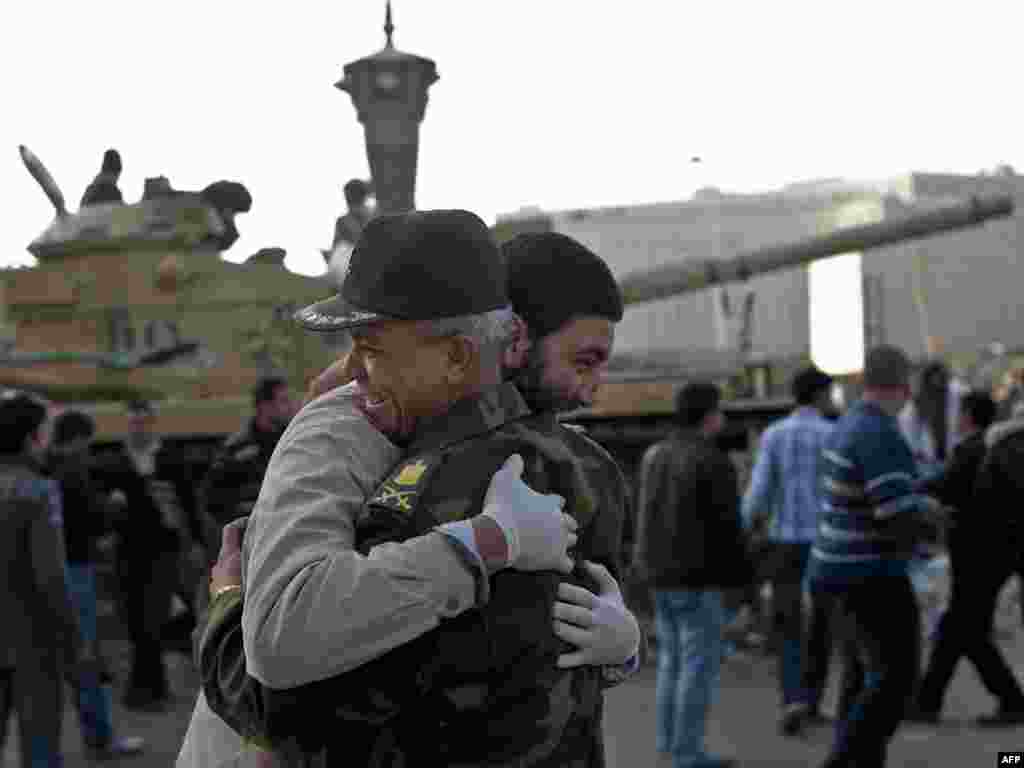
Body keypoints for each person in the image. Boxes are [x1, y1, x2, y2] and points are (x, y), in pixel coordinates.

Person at [191, 218, 639, 767]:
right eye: (584, 359)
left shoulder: (472, 478)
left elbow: (288, 705)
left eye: (370, 347)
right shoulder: (580, 468)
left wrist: (226, 607)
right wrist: (622, 651)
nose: (349, 373)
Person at [806, 345, 947, 768]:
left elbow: (872, 493)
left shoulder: (848, 424)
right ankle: (843, 760)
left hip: (832, 568)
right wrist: (932, 520)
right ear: (902, 386)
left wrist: (916, 493)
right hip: (868, 573)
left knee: (860, 672)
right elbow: (895, 516)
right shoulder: (880, 433)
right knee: (896, 678)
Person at [635, 380, 752, 768]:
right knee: (697, 666)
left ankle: (670, 743)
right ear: (709, 415)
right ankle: (687, 753)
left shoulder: (655, 455)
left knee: (671, 661)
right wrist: (743, 585)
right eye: (719, 410)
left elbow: (644, 517)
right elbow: (728, 529)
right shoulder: (713, 460)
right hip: (698, 580)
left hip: (660, 576)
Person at [909, 390, 1024, 725]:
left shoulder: (974, 448)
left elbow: (942, 485)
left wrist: (905, 487)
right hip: (999, 550)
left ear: (968, 416)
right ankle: (929, 702)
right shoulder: (1000, 446)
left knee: (963, 626)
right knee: (962, 627)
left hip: (977, 553)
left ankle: (1009, 700)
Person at [741, 366, 836, 735]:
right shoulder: (833, 434)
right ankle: (812, 701)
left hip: (785, 544)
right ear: (819, 396)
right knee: (823, 623)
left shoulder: (774, 435)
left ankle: (792, 699)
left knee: (789, 623)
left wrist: (746, 523)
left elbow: (760, 490)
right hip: (826, 543)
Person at [92, 399, 202, 711]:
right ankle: (147, 689)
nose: (138, 427)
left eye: (143, 421)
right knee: (136, 622)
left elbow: (188, 501)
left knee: (152, 619)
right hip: (127, 552)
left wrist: (193, 541)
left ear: (152, 423)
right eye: (133, 422)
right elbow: (99, 504)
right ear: (126, 424)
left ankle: (147, 691)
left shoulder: (169, 458)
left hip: (162, 552)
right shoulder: (113, 462)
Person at [48, 410, 146, 759]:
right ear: (76, 439)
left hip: (50, 571)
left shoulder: (42, 467)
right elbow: (91, 518)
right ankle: (101, 738)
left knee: (56, 663)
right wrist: (114, 506)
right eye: (86, 441)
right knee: (87, 657)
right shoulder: (73, 470)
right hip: (76, 571)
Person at [0, 391, 86, 768]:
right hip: (32, 644)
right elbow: (50, 578)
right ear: (31, 436)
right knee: (40, 748)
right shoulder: (36, 492)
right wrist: (74, 642)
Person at [198, 376, 296, 543]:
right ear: (265, 407)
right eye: (284, 401)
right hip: (252, 540)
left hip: (289, 536)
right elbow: (213, 500)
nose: (291, 407)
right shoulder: (236, 450)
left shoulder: (294, 442)